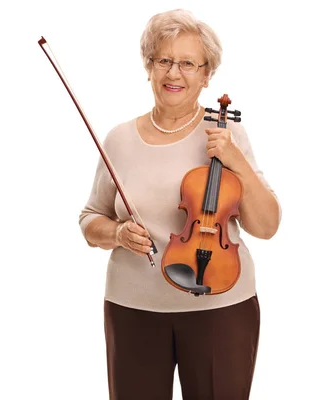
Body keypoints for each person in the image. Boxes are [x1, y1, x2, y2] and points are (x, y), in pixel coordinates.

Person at [78, 8, 281, 400]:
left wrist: (235, 160)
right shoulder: (119, 139)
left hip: (220, 308)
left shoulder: (226, 131)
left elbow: (267, 226)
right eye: (163, 60)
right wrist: (118, 233)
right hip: (133, 309)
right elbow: (90, 219)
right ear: (148, 67)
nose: (174, 73)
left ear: (206, 75)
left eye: (188, 63)